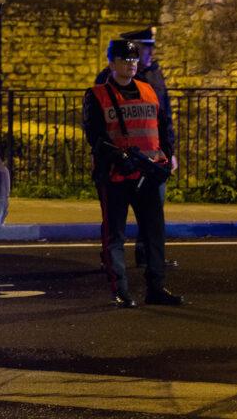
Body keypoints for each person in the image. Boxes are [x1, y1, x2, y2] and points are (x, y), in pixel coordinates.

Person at [83, 39, 183, 308]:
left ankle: (156, 287)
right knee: (115, 234)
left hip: (148, 173)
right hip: (115, 174)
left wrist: (165, 155)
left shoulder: (149, 91)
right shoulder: (97, 95)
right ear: (112, 63)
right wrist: (119, 156)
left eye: (134, 60)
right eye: (125, 59)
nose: (131, 64)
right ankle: (120, 290)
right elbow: (95, 136)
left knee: (154, 233)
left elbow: (162, 127)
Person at [95, 27, 177, 268]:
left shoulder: (154, 76)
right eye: (143, 49)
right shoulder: (108, 79)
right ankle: (111, 258)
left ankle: (149, 256)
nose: (146, 55)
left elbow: (164, 117)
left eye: (147, 51)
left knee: (153, 213)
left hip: (152, 159)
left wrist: (169, 152)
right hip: (120, 161)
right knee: (115, 216)